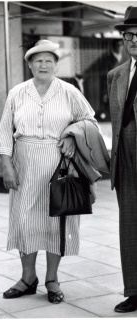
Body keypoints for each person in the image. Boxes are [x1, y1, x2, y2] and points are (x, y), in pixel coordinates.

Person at [0, 40, 99, 304]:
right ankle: (27, 278)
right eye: (38, 60)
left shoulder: (69, 91)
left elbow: (89, 120)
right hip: (24, 164)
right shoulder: (17, 93)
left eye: (49, 60)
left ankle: (52, 279)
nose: (43, 65)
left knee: (57, 221)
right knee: (25, 222)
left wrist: (71, 135)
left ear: (56, 64)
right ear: (29, 64)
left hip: (59, 164)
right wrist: (6, 165)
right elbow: (5, 131)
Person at [108, 6, 137, 313]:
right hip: (124, 157)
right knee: (129, 223)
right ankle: (134, 290)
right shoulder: (115, 75)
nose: (133, 40)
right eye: (129, 35)